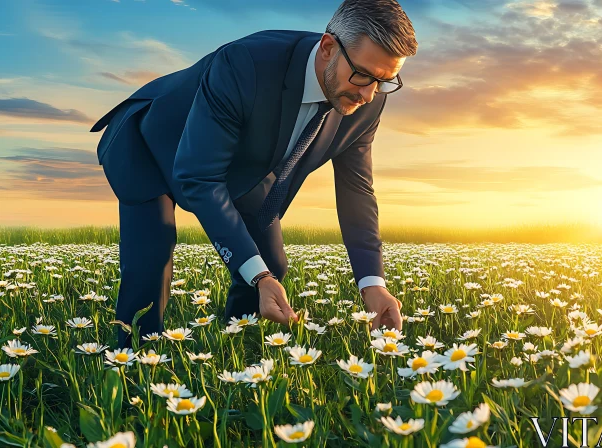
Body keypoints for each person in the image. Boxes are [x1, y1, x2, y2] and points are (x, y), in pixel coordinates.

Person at [89, 0, 418, 347]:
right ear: (327, 47)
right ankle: (131, 364)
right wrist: (257, 275)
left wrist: (373, 284)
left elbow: (357, 191)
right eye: (363, 75)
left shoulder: (370, 100)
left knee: (271, 261)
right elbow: (200, 176)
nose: (368, 94)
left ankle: (238, 347)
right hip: (149, 145)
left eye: (385, 81)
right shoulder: (246, 64)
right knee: (150, 263)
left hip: (240, 161)